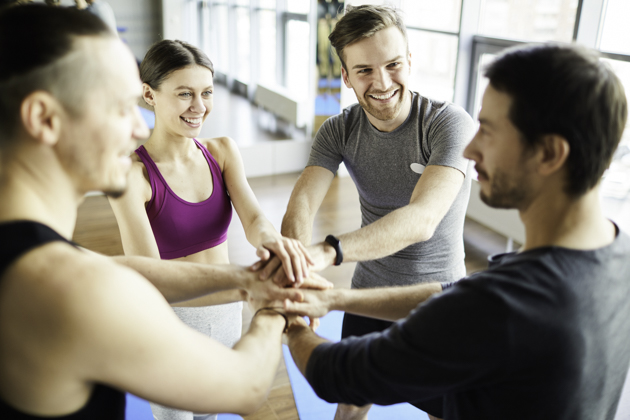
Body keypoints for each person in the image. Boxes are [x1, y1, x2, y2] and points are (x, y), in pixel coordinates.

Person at [0, 5, 325, 419]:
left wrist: (252, 280)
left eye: (206, 92)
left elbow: (126, 270)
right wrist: (273, 301)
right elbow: (246, 387)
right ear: (43, 117)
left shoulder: (54, 266)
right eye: (119, 106)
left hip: (220, 314)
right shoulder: (72, 287)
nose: (137, 128)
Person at [283, 42, 630, 420]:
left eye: (488, 130)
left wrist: (292, 320)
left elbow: (341, 376)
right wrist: (334, 301)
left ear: (549, 153)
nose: (470, 149)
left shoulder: (500, 307)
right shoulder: (616, 254)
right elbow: (451, 295)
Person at [267, 5, 475, 419]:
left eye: (393, 65)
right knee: (350, 400)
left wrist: (326, 252)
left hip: (437, 302)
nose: (381, 82)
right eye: (364, 70)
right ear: (345, 76)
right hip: (367, 298)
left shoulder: (447, 124)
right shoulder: (338, 130)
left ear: (410, 62)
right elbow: (304, 200)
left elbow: (422, 219)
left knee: (447, 411)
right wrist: (293, 266)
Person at [107, 39, 313, 420]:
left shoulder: (221, 151)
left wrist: (273, 243)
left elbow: (254, 220)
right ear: (149, 94)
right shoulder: (132, 176)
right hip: (169, 321)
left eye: (206, 93)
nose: (199, 107)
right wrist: (249, 285)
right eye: (184, 94)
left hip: (227, 312)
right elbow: (153, 276)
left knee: (210, 415)